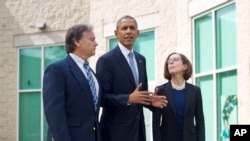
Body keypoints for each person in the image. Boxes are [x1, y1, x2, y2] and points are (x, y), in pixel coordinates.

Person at [96, 15, 167, 141]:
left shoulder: (141, 59)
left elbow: (140, 95)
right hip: (115, 134)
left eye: (132, 28)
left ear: (137, 33)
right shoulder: (106, 61)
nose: (128, 31)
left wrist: (151, 102)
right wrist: (128, 98)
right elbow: (102, 98)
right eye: (124, 28)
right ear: (116, 33)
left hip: (138, 131)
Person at [43, 24, 102, 141]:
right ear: (76, 41)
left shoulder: (90, 72)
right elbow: (55, 115)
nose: (96, 43)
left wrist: (128, 99)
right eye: (92, 39)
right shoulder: (57, 70)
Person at [152, 52, 205, 141]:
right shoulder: (160, 90)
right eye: (169, 61)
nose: (171, 62)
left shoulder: (195, 91)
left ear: (185, 66)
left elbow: (200, 120)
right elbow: (156, 123)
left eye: (175, 60)